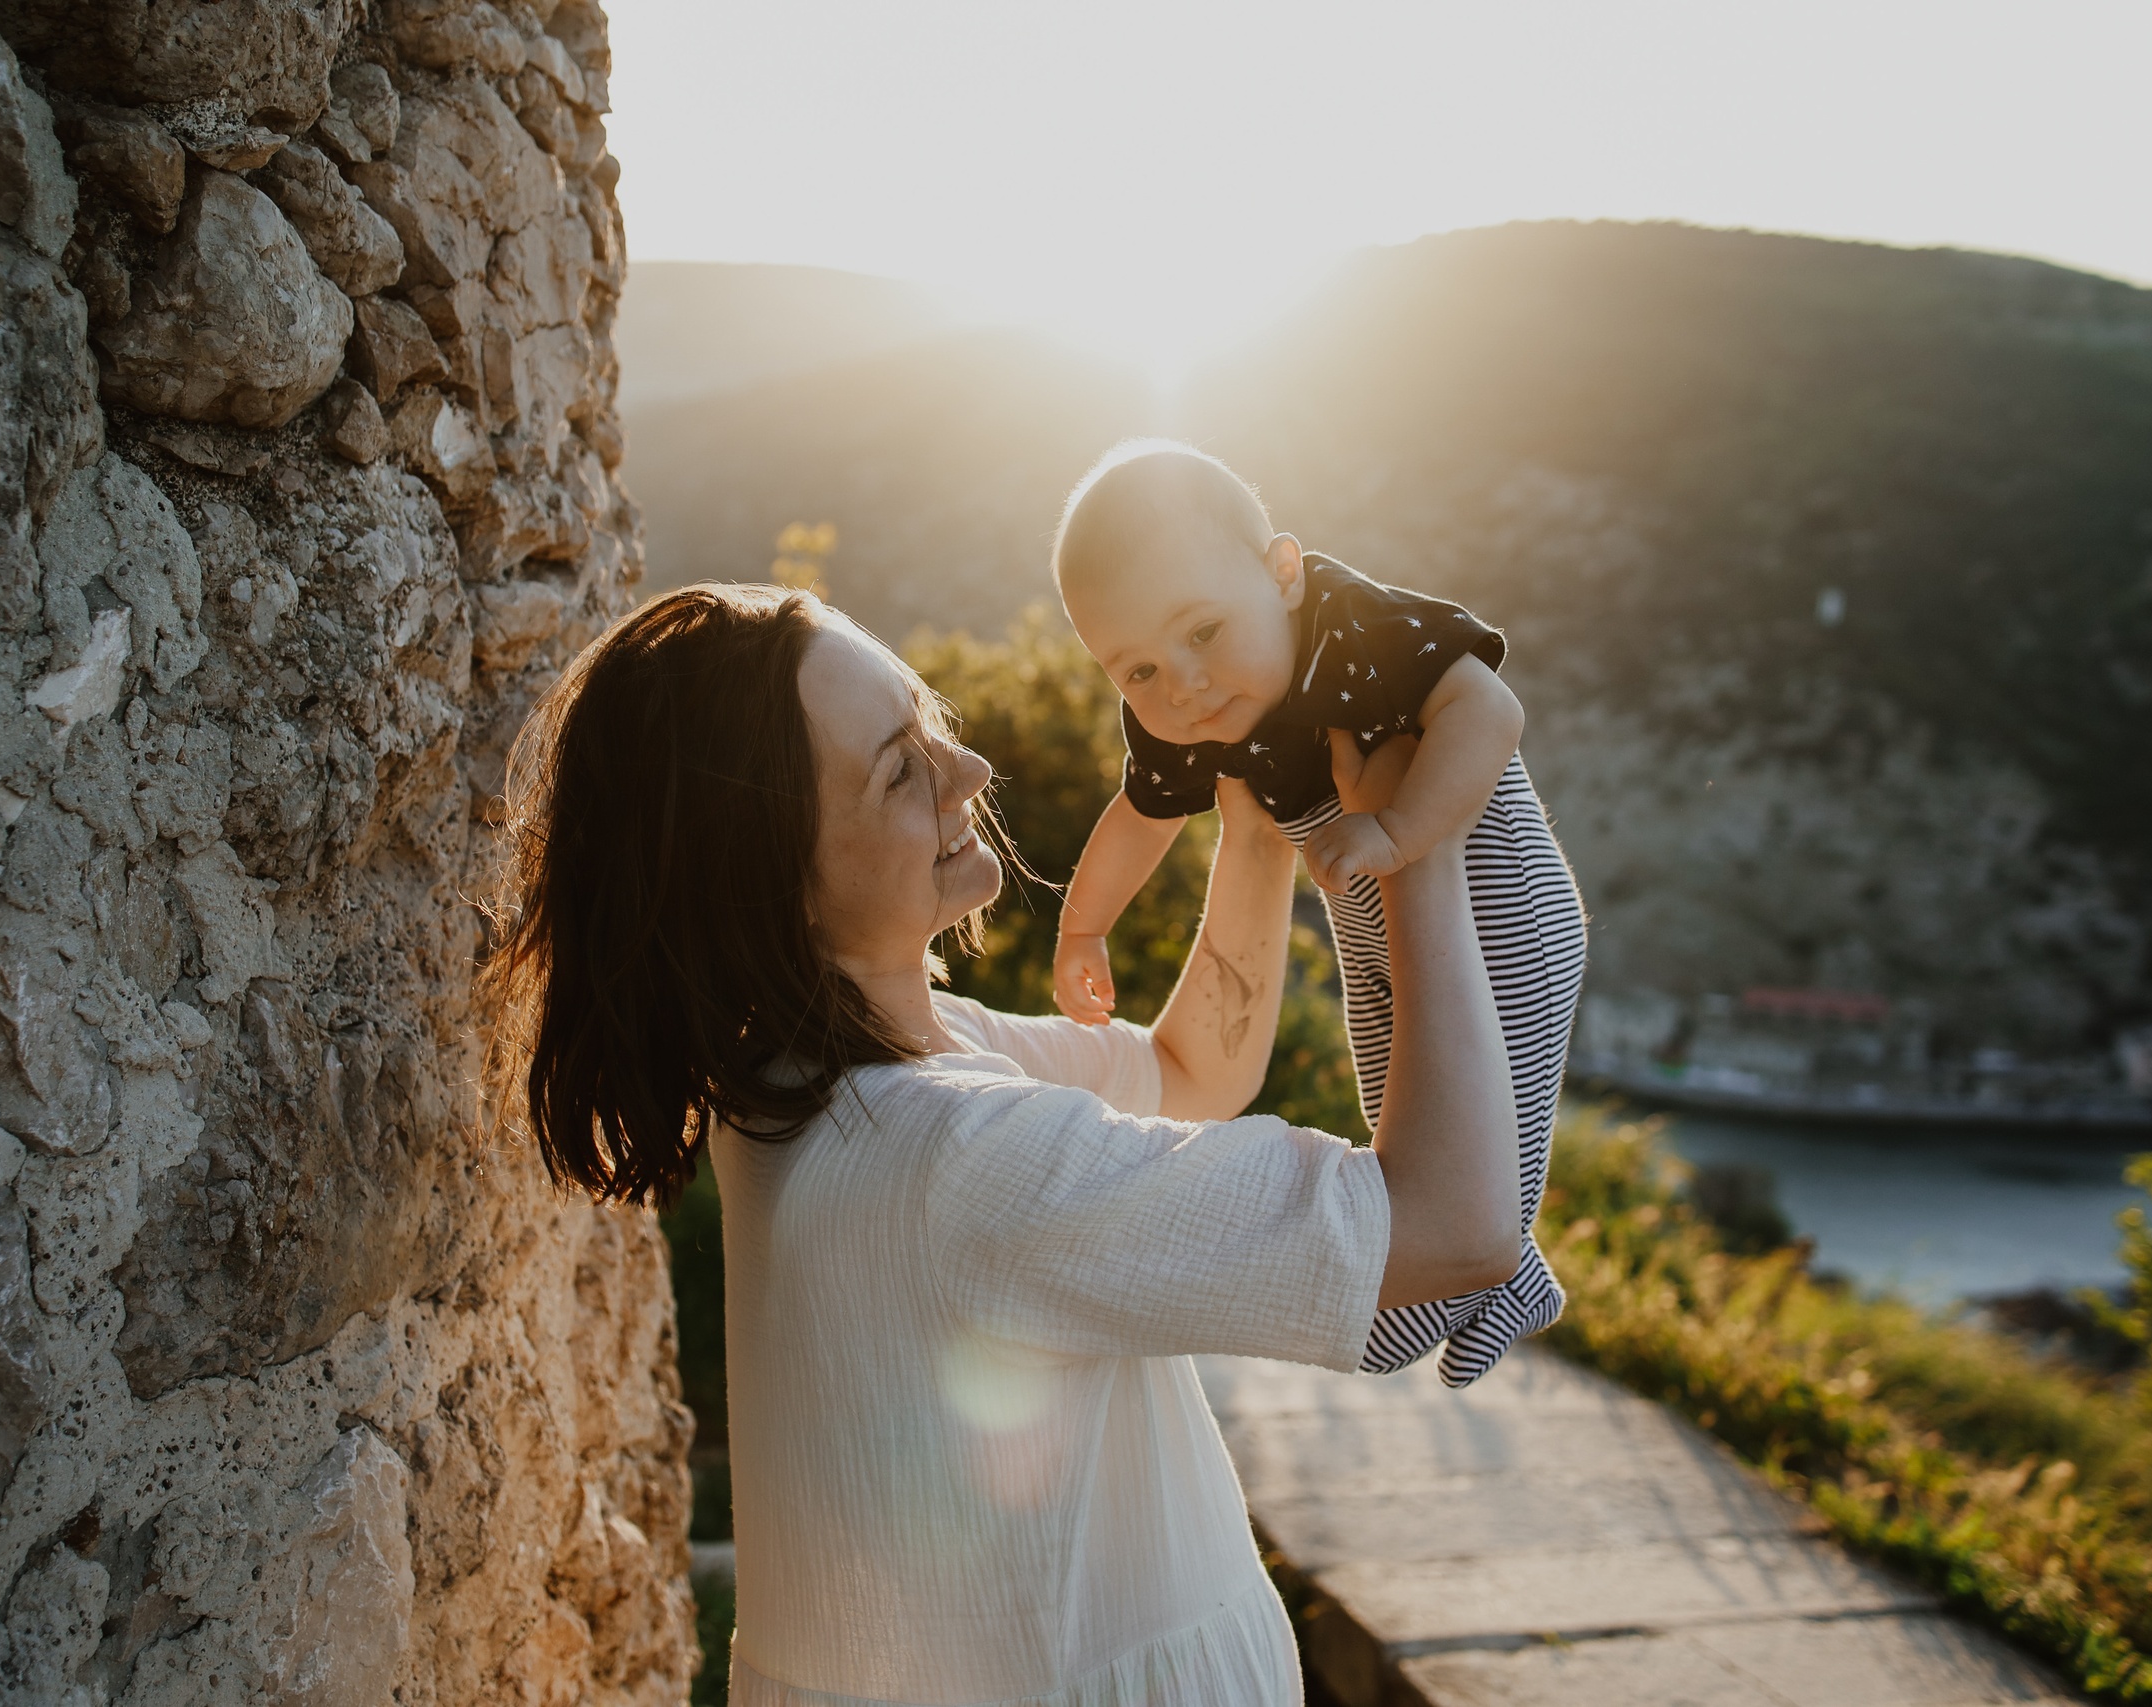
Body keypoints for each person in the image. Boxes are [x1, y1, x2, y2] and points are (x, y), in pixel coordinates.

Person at [489, 581, 1527, 1707]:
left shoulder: (820, 1077)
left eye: (928, 725)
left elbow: (1190, 1078)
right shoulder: (953, 1156)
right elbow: (1455, 1225)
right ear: (767, 884)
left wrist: (1255, 827)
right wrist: (1417, 852)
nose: (965, 774)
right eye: (898, 770)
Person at [1051, 441, 1588, 1385]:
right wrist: (1083, 925)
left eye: (1203, 632)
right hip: (1374, 921)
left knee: (1497, 1107)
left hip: (1499, 895)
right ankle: (1492, 1275)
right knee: (1405, 1112)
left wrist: (1403, 833)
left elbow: (1489, 710)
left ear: (1283, 576)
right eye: (1135, 670)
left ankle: (1494, 1272)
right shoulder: (1180, 714)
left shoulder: (1354, 626)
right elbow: (1141, 815)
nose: (1181, 684)